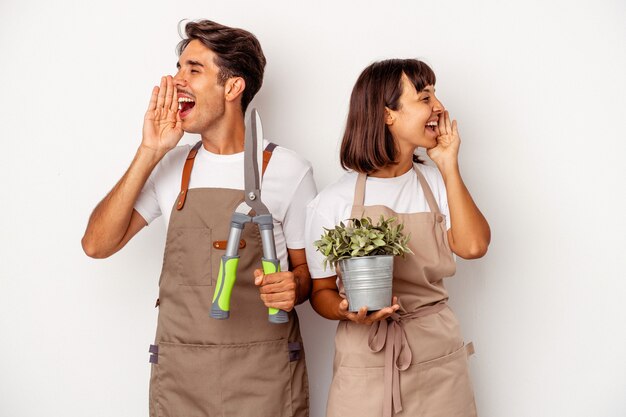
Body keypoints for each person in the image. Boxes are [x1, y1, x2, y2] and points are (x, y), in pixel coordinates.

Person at [81, 20, 315, 417]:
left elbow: (309, 277)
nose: (175, 81)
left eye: (193, 69)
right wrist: (149, 151)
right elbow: (97, 245)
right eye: (178, 68)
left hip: (265, 378)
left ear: (233, 87)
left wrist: (293, 286)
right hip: (182, 376)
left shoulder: (289, 170)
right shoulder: (171, 167)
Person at [305, 59, 490, 417]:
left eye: (435, 94)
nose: (439, 106)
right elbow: (321, 292)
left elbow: (473, 247)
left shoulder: (438, 184)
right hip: (365, 358)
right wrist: (346, 311)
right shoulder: (332, 202)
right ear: (387, 114)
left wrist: (449, 165)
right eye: (424, 97)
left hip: (438, 359)